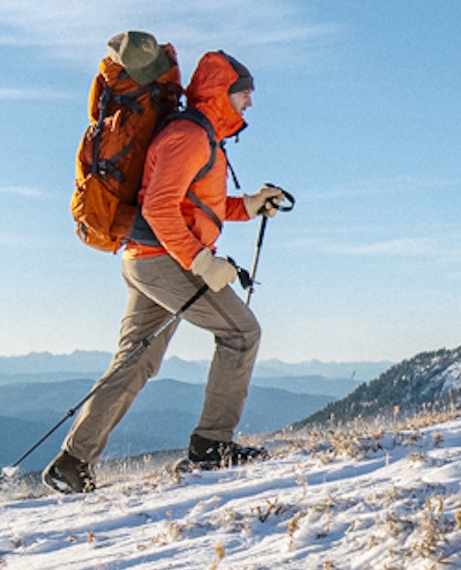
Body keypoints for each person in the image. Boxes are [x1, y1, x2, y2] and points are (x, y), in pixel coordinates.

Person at [42, 47, 284, 494]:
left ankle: (72, 464)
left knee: (135, 360)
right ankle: (213, 444)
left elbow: (197, 206)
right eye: (244, 93)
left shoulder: (203, 136)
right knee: (241, 333)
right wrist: (200, 261)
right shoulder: (189, 138)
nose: (249, 103)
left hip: (146, 260)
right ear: (220, 92)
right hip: (163, 262)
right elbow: (158, 208)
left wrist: (249, 205)